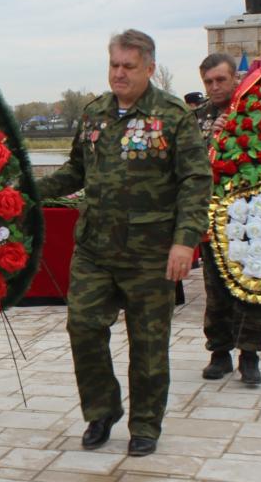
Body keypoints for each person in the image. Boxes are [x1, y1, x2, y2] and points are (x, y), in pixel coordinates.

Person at [36, 30, 211, 457]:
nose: (119, 73)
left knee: (148, 343)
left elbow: (195, 180)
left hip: (150, 253)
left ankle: (146, 424)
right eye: (114, 65)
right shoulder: (94, 112)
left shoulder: (172, 115)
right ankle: (102, 411)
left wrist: (185, 242)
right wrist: (26, 189)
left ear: (149, 68)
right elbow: (75, 170)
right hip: (95, 249)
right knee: (83, 327)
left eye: (128, 67)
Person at [195, 53, 261, 385]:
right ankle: (219, 352)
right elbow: (187, 164)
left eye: (220, 80)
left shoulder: (256, 110)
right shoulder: (197, 118)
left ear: (235, 79)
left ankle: (250, 355)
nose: (214, 87)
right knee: (216, 290)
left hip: (251, 217)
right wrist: (211, 140)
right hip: (213, 217)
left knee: (252, 287)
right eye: (208, 82)